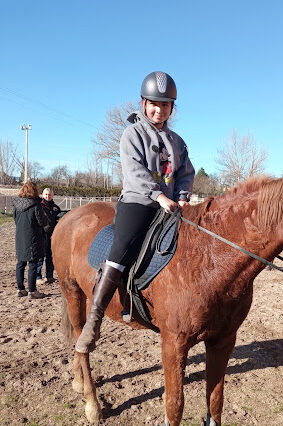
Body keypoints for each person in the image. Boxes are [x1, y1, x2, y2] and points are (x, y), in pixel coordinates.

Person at [75, 71, 195, 353]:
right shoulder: (132, 134)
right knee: (122, 248)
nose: (159, 109)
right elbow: (134, 171)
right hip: (139, 202)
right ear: (143, 103)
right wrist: (158, 196)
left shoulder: (177, 141)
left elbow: (186, 172)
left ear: (171, 108)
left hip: (172, 205)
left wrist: (182, 197)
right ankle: (94, 319)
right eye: (154, 103)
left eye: (165, 105)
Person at [13, 181, 50, 299]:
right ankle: (32, 291)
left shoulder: (16, 205)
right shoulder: (36, 205)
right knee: (33, 263)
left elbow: (15, 219)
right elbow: (42, 222)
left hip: (19, 236)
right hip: (33, 237)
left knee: (20, 263)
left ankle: (20, 289)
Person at [36, 188, 61, 284]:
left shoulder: (55, 208)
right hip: (42, 235)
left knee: (50, 256)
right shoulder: (39, 207)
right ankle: (38, 276)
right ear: (43, 195)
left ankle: (49, 275)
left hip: (52, 235)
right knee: (40, 256)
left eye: (49, 195)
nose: (48, 196)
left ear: (52, 195)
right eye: (46, 195)